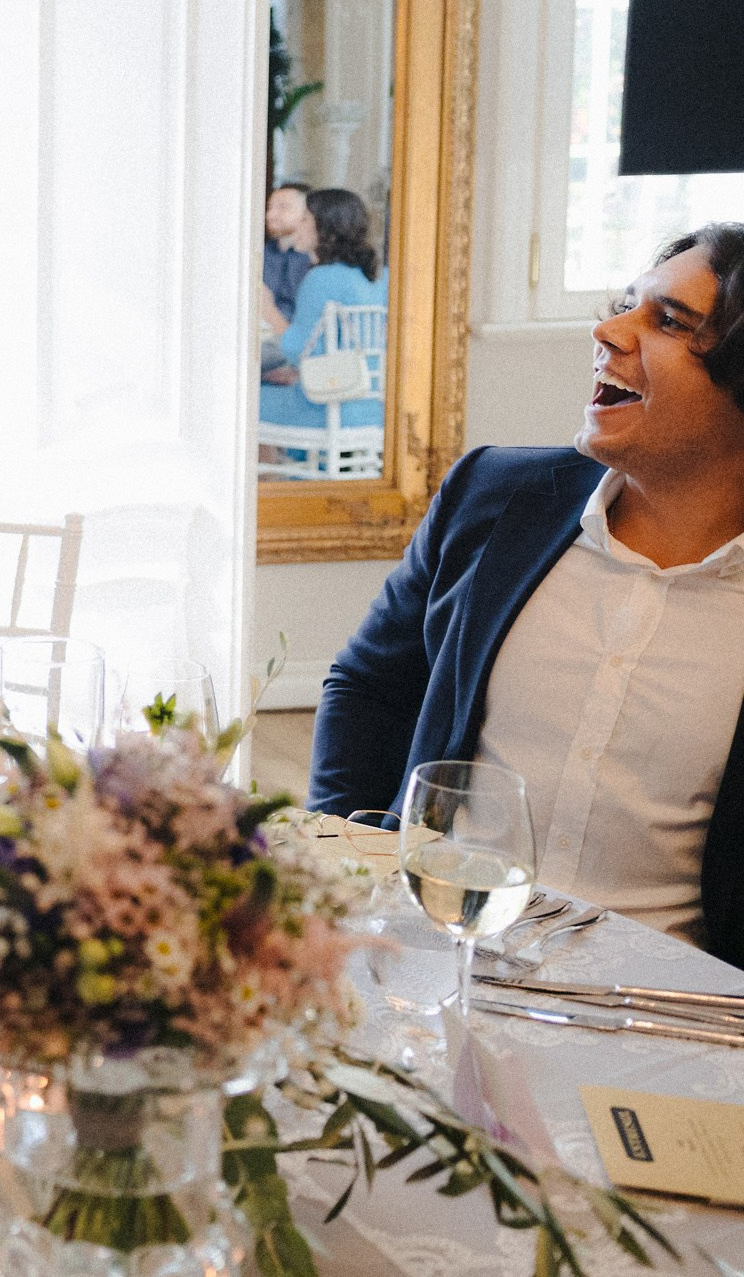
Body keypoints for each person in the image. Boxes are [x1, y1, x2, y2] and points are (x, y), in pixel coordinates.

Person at [311, 224, 744, 961]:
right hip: (445, 956)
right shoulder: (490, 496)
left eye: (668, 321)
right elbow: (369, 685)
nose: (607, 330)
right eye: (626, 305)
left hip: (678, 1018)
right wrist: (343, 876)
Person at [259, 186, 389, 430]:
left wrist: (268, 309)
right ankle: (292, 468)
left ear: (325, 226)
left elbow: (299, 349)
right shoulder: (379, 278)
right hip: (371, 406)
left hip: (326, 404)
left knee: (239, 401)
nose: (299, 224)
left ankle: (278, 469)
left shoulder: (321, 278)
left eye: (306, 218)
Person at [262, 182, 316, 332]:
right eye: (269, 208)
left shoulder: (315, 258)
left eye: (283, 207)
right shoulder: (259, 255)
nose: (271, 215)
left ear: (308, 214)